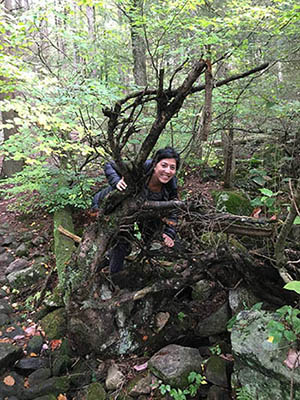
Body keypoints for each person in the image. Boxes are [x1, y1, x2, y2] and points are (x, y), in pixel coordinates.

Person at [92, 146, 180, 273]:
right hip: (109, 206)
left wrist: (169, 233)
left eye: (172, 168)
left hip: (139, 211)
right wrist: (116, 182)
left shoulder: (171, 185)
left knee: (152, 238)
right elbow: (109, 165)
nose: (167, 171)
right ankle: (115, 281)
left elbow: (174, 208)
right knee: (122, 243)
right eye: (164, 165)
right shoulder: (141, 169)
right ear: (155, 164)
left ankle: (109, 263)